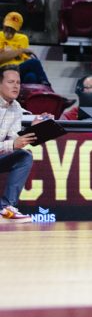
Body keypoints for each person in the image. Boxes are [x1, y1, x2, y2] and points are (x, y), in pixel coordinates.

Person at [1, 65, 41, 221]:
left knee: (24, 156)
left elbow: (13, 139)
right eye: (11, 82)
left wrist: (34, 129)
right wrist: (12, 145)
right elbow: (11, 144)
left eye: (18, 82)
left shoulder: (16, 108)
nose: (16, 86)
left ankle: (6, 208)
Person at [0, 12, 50, 86]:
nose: (9, 30)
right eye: (7, 26)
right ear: (3, 24)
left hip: (19, 69)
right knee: (34, 63)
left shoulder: (23, 38)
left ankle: (32, 96)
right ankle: (47, 87)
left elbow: (24, 59)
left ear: (18, 28)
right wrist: (21, 50)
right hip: (4, 70)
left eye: (13, 28)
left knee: (31, 77)